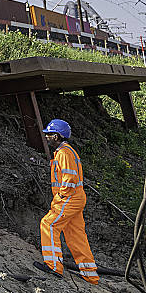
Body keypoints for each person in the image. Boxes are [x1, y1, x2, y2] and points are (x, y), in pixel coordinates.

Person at [36, 119, 99, 284]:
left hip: (69, 197)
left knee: (48, 224)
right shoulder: (66, 151)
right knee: (75, 234)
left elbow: (69, 179)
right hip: (76, 197)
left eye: (49, 134)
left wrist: (61, 197)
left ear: (56, 136)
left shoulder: (63, 153)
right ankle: (89, 274)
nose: (47, 137)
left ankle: (53, 265)